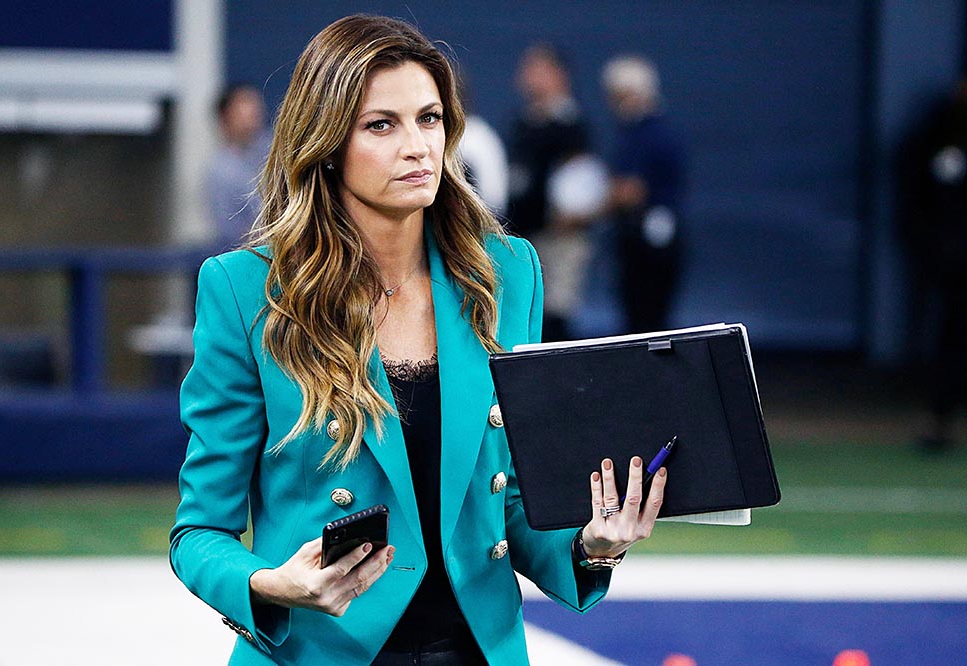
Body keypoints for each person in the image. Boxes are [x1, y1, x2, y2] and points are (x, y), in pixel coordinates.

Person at [170, 15, 667, 666]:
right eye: (382, 124)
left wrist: (591, 545)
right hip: (322, 652)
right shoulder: (246, 290)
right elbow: (200, 530)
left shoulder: (509, 275)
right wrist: (270, 585)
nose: (418, 146)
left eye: (429, 119)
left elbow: (508, 494)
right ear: (325, 143)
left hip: (475, 651)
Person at [506, 45, 598, 341]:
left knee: (553, 314)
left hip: (557, 238)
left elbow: (582, 181)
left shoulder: (570, 124)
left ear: (559, 75)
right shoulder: (524, 122)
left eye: (537, 69)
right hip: (524, 234)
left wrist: (570, 216)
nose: (528, 77)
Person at [897, 79, 967, 453]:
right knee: (950, 338)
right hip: (949, 264)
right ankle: (939, 418)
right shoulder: (936, 132)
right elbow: (913, 195)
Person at [602, 56, 687, 333]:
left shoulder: (647, 136)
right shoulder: (638, 134)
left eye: (616, 96)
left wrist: (588, 207)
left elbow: (630, 191)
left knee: (648, 326)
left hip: (650, 249)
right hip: (640, 244)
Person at [207, 83, 271, 249]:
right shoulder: (221, 170)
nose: (252, 112)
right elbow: (230, 231)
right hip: (256, 253)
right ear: (225, 116)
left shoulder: (276, 148)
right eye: (243, 105)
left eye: (254, 105)